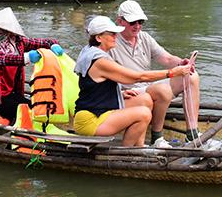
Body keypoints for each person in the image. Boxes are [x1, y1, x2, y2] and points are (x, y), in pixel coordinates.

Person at [72, 16, 192, 147]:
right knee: (144, 114)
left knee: (145, 99)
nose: (115, 36)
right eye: (111, 34)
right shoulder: (100, 61)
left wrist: (118, 93)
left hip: (100, 109)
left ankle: (139, 145)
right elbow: (137, 77)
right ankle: (126, 153)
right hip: (91, 120)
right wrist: (172, 72)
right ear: (98, 38)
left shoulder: (91, 51)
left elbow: (92, 85)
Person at [110, 0, 202, 145]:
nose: (137, 26)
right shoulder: (111, 42)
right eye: (133, 22)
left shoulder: (144, 37)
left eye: (140, 22)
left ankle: (192, 132)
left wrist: (181, 63)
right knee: (162, 90)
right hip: (130, 91)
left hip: (147, 84)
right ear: (120, 21)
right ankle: (157, 137)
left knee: (192, 76)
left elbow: (166, 58)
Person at [0, 7, 61, 124]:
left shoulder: (17, 42)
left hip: (10, 93)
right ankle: (15, 138)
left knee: (35, 108)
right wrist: (27, 58)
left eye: (0, 29)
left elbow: (41, 42)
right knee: (24, 113)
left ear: (8, 31)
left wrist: (52, 45)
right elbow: (1, 59)